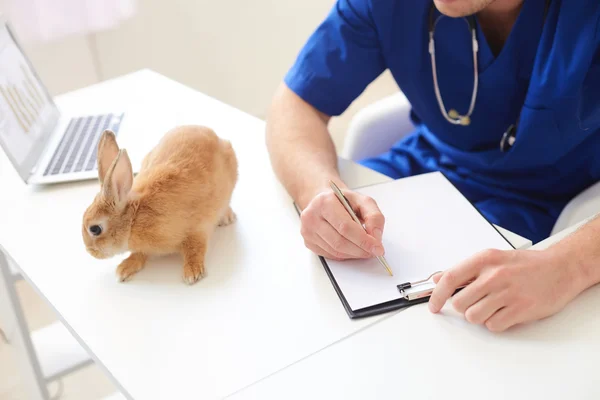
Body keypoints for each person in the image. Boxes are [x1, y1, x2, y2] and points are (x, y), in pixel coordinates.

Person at [265, 0, 600, 332]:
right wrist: (321, 192)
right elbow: (296, 105)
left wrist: (568, 265)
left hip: (547, 210)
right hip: (418, 172)